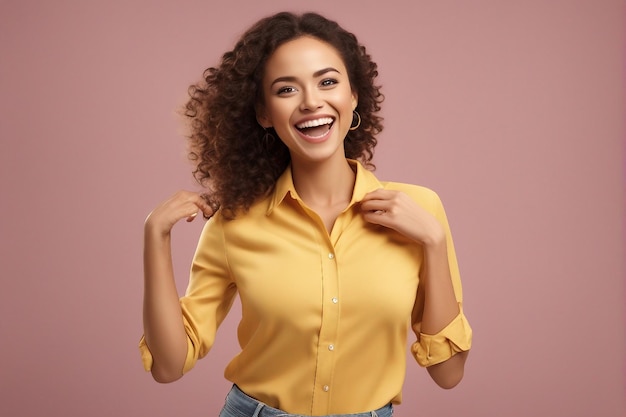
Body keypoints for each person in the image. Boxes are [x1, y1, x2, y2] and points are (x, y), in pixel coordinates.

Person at [139, 11, 472, 417]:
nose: (312, 101)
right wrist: (155, 237)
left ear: (353, 96)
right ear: (263, 113)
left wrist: (433, 243)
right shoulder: (235, 222)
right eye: (286, 90)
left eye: (328, 81)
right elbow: (169, 366)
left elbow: (448, 372)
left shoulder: (421, 212)